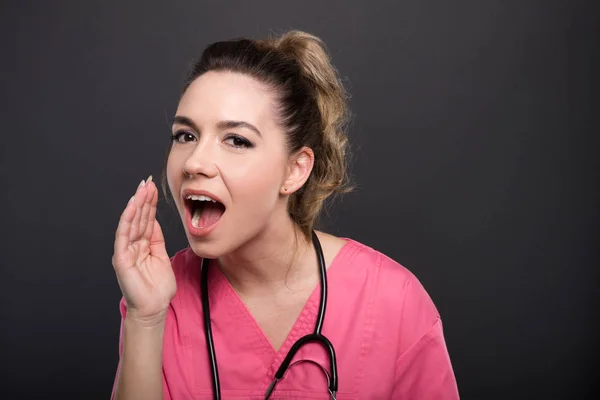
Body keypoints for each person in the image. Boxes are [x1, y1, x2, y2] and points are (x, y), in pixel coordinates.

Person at [110, 30, 459, 400]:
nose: (194, 162)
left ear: (295, 169)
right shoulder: (158, 299)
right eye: (185, 136)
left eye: (237, 140)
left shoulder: (393, 302)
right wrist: (145, 318)